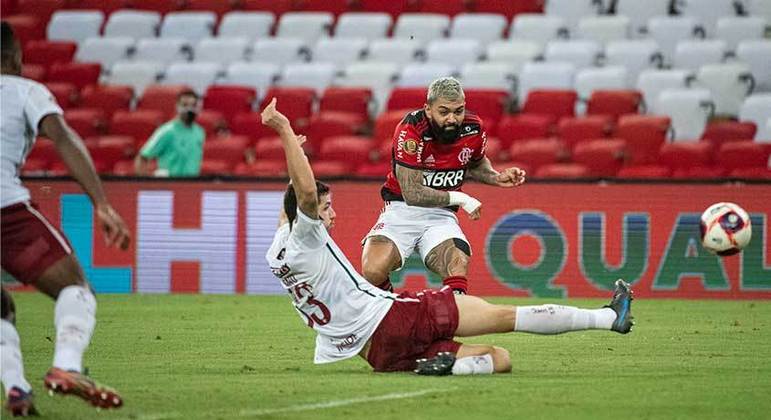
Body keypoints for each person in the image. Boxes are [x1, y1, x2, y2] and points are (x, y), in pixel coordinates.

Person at [261, 97, 634, 377]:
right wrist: (284, 132)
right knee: (506, 315)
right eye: (327, 209)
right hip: (396, 317)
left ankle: (448, 367)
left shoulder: (278, 252)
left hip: (378, 354)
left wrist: (293, 156)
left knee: (499, 360)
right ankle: (606, 318)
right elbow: (306, 196)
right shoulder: (307, 237)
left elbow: (294, 199)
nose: (333, 214)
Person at [1, 22, 131, 416]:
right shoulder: (26, 91)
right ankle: (67, 366)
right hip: (6, 212)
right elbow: (63, 137)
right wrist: (102, 203)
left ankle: (17, 389)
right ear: (15, 58)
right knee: (76, 288)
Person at [361, 77, 526, 295]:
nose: (452, 119)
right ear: (428, 109)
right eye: (444, 111)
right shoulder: (411, 129)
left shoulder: (473, 127)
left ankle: (453, 317)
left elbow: (475, 163)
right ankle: (390, 306)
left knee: (457, 261)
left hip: (440, 215)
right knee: (372, 270)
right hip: (401, 210)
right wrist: (462, 199)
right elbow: (413, 193)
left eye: (458, 111)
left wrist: (496, 177)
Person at [134, 89, 205, 177]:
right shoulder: (167, 131)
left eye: (193, 105)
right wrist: (146, 184)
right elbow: (142, 158)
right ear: (177, 107)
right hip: (171, 184)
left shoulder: (199, 132)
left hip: (192, 185)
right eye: (185, 105)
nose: (189, 109)